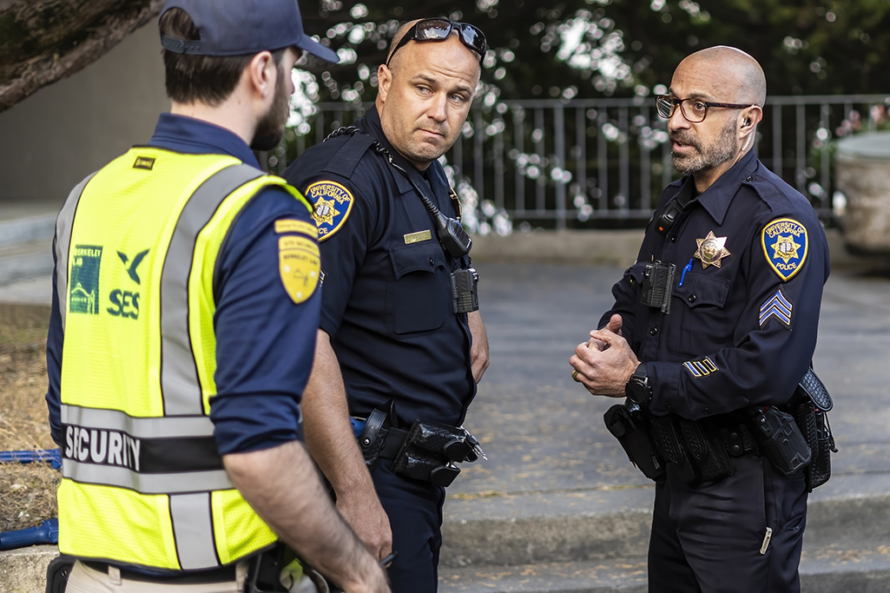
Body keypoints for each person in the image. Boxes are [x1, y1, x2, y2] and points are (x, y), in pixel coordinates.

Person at [44, 1, 389, 591]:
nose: (290, 84)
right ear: (261, 71)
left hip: (87, 575)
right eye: (291, 66)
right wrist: (358, 573)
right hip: (204, 576)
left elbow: (62, 407)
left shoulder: (89, 198)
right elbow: (260, 449)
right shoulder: (262, 215)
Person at [569, 46, 829, 592]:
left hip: (743, 484)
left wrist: (638, 379)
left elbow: (769, 367)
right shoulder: (676, 207)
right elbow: (638, 300)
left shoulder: (780, 222)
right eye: (673, 102)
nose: (675, 121)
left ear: (748, 119)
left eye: (699, 106)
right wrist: (611, 337)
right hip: (678, 470)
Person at [283, 18, 490, 593]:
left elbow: (448, 247)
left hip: (414, 472)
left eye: (458, 97)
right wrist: (354, 495)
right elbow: (300, 344)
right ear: (384, 82)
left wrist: (468, 312)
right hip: (362, 473)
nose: (440, 112)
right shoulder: (342, 184)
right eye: (424, 89)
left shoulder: (421, 165)